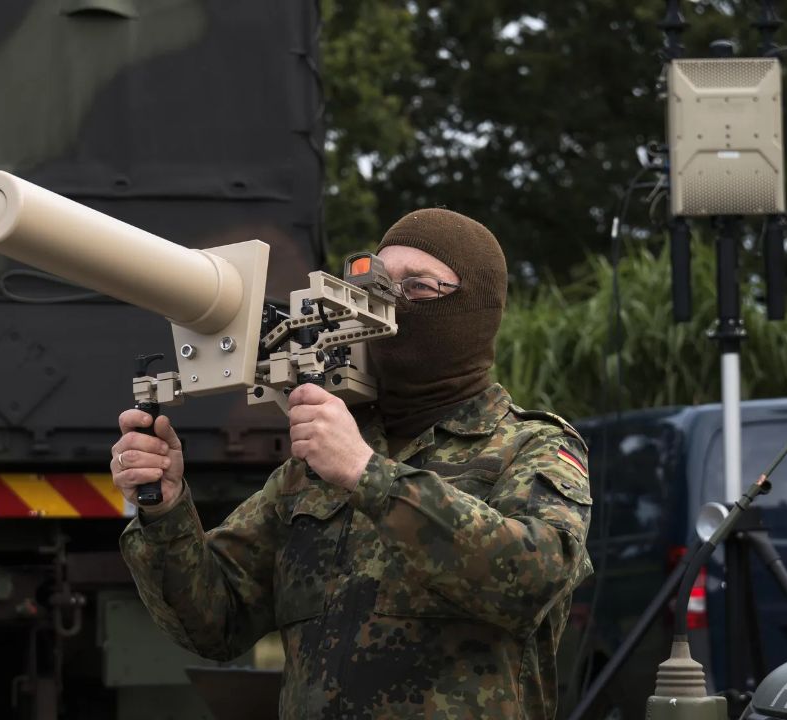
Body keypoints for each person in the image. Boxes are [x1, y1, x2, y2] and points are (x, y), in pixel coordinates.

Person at [111, 208, 594, 719]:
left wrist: (369, 475)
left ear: (474, 310)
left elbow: (534, 580)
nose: (389, 304)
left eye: (417, 287)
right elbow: (214, 622)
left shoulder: (530, 444)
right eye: (377, 287)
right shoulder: (315, 467)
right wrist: (166, 511)